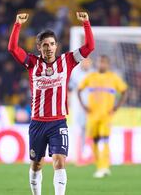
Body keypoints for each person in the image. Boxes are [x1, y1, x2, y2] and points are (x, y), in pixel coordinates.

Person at [8, 12, 94, 195]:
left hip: (58, 122)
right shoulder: (32, 63)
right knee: (36, 164)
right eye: (45, 45)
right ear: (39, 47)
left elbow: (89, 47)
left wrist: (86, 22)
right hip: (38, 123)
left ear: (57, 46)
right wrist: (17, 25)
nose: (49, 48)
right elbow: (13, 49)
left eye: (52, 44)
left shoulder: (68, 61)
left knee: (59, 161)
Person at [77, 55, 127, 178]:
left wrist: (116, 107)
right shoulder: (91, 77)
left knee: (104, 140)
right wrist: (83, 106)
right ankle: (100, 166)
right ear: (97, 63)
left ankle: (104, 167)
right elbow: (79, 90)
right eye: (100, 62)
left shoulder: (113, 78)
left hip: (106, 116)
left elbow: (125, 91)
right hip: (92, 116)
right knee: (94, 141)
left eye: (104, 63)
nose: (101, 65)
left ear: (108, 65)